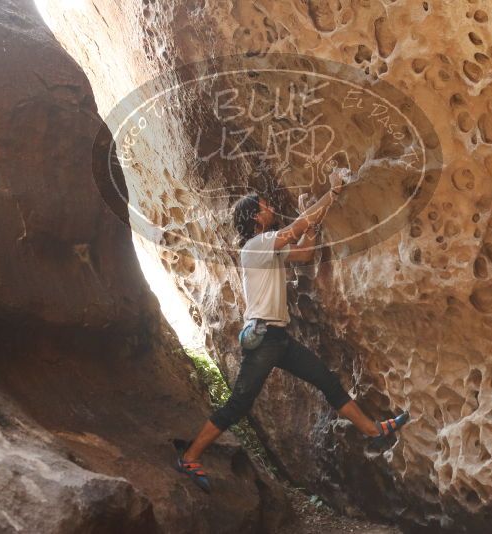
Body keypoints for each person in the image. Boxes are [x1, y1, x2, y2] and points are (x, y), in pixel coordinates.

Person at [174, 170, 409, 493]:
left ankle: (372, 429)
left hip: (278, 340)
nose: (271, 208)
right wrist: (333, 193)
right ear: (256, 216)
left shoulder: (268, 249)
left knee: (326, 380)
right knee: (239, 404)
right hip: (263, 341)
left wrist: (313, 220)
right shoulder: (255, 246)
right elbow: (295, 229)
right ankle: (190, 456)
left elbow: (304, 252)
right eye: (266, 205)